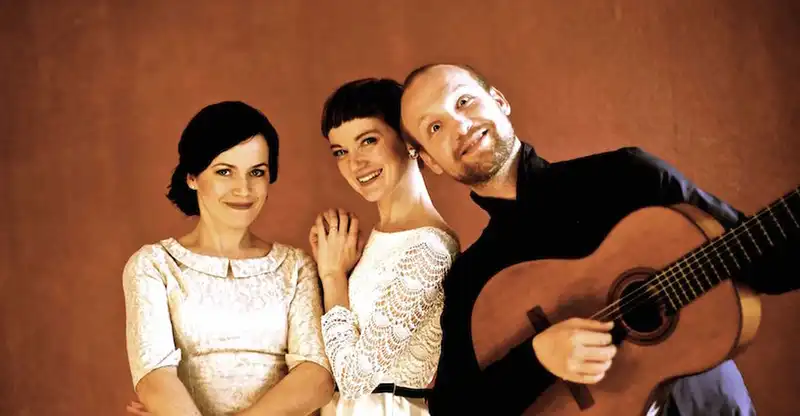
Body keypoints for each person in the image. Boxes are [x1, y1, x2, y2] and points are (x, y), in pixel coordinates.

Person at [398, 63, 799, 416]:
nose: (460, 126)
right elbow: (453, 409)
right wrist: (536, 359)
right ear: (431, 161)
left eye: (464, 101)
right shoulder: (472, 278)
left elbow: (768, 264)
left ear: (499, 101)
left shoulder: (629, 177)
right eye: (435, 127)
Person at [122, 101, 334, 416]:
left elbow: (316, 378)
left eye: (257, 172)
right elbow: (155, 379)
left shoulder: (296, 267)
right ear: (192, 177)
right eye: (224, 172)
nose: (243, 189)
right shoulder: (154, 265)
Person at [309, 78, 461, 416]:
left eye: (368, 141)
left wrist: (333, 277)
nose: (355, 163)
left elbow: (354, 379)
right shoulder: (380, 238)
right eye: (341, 152)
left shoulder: (430, 249)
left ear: (408, 140)